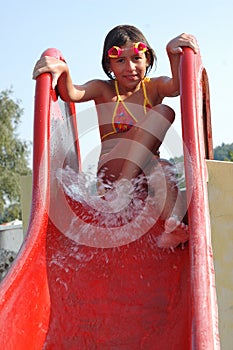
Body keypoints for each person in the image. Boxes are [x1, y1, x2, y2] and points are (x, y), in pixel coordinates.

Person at [33, 24, 198, 249]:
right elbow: (71, 93)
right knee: (163, 112)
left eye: (136, 58)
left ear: (147, 59)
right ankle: (121, 188)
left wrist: (172, 53)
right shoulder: (104, 90)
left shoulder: (155, 87)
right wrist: (63, 70)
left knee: (165, 170)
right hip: (113, 169)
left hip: (146, 168)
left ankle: (172, 226)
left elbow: (177, 87)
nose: (130, 67)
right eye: (120, 61)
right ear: (109, 65)